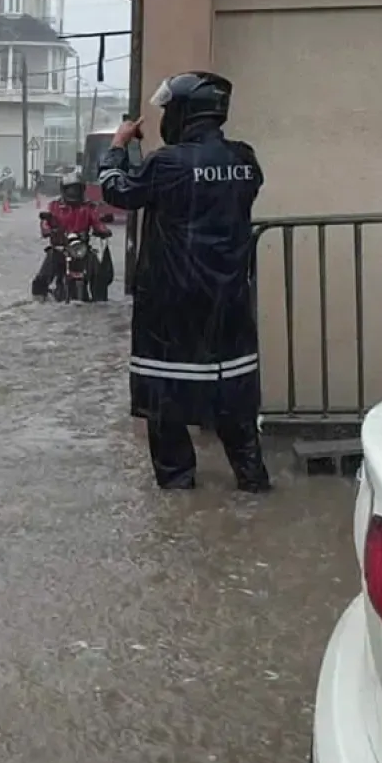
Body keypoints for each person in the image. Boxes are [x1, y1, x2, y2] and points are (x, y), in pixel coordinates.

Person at [97, 71, 270, 493]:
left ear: (185, 112)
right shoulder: (244, 160)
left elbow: (118, 191)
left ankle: (178, 494)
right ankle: (253, 483)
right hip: (229, 298)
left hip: (172, 301)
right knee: (234, 397)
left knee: (165, 398)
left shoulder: (168, 163)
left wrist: (118, 146)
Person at [30, 175, 111, 298]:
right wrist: (47, 229)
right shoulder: (55, 206)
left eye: (76, 189)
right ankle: (39, 298)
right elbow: (46, 221)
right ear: (64, 190)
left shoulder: (89, 207)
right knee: (43, 275)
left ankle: (100, 301)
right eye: (70, 189)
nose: (73, 193)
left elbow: (97, 221)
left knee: (98, 273)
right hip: (60, 247)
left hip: (81, 249)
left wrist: (103, 230)